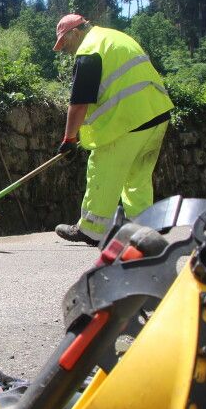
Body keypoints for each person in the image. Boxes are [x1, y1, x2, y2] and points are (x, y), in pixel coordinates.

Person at [52, 14, 174, 244]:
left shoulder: (90, 50)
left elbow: (79, 103)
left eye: (64, 43)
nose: (65, 50)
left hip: (125, 121)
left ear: (75, 32)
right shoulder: (114, 37)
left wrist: (69, 139)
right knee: (137, 177)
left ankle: (91, 229)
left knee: (102, 169)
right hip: (156, 114)